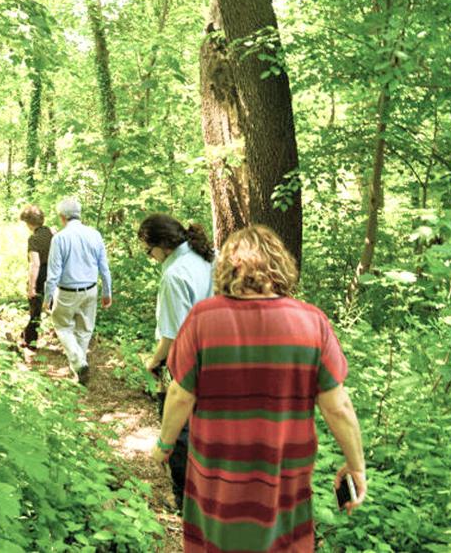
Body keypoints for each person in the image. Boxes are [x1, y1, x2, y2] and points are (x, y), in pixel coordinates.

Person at [151, 225, 367, 552]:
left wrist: (164, 445)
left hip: (216, 484)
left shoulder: (202, 320)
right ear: (280, 266)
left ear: (226, 269)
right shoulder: (312, 323)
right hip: (283, 485)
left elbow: (181, 395)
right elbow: (338, 407)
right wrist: (355, 465)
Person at [138, 214, 215, 510]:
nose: (151, 257)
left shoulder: (173, 276)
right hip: (220, 355)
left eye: (149, 251)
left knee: (179, 429)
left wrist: (152, 361)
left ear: (163, 245)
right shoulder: (209, 258)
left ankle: (184, 499)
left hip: (187, 360)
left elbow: (171, 337)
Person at [43, 198, 112, 384]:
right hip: (91, 290)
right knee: (84, 330)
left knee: (62, 326)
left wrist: (47, 298)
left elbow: (53, 273)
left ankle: (79, 363)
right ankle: (80, 368)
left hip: (66, 292)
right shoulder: (95, 235)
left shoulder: (59, 238)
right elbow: (104, 267)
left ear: (62, 217)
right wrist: (107, 292)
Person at [20, 205, 54, 347]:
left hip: (41, 274)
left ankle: (30, 341)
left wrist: (31, 287)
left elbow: (35, 264)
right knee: (55, 307)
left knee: (35, 309)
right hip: (55, 274)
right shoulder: (52, 232)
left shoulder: (33, 239)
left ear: (28, 223)